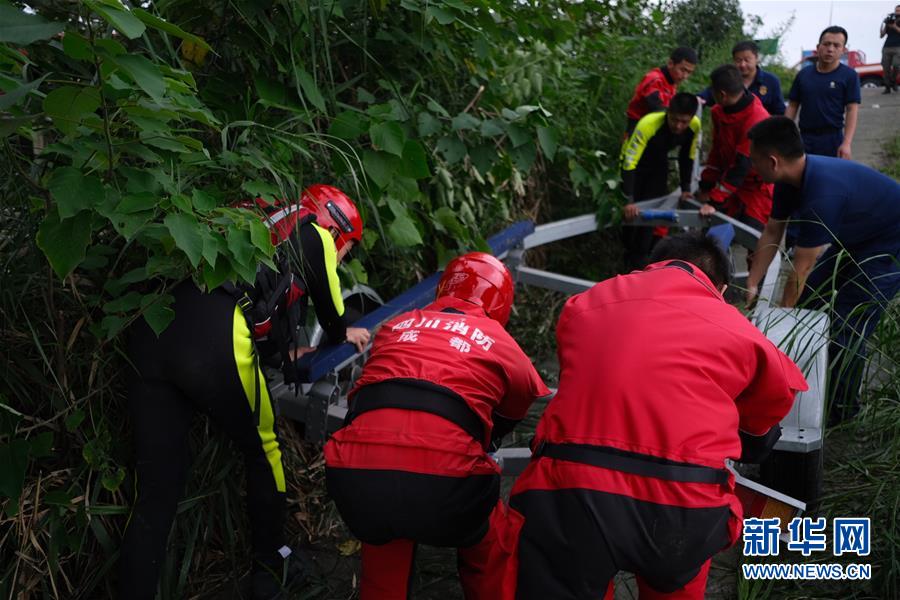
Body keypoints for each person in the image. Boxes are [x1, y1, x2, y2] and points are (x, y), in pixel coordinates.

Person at [508, 232, 808, 600]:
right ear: (721, 286)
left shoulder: (584, 303)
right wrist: (747, 436)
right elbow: (778, 397)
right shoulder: (736, 326)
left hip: (568, 492)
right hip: (681, 503)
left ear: (651, 265)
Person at [118, 185, 372, 600]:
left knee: (157, 490)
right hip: (215, 335)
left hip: (153, 328)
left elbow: (259, 307)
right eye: (349, 250)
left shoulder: (255, 220)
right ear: (339, 230)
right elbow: (331, 310)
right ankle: (270, 571)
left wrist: (285, 351)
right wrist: (346, 332)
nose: (344, 258)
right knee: (264, 449)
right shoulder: (317, 233)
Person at [324, 252, 551, 600]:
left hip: (354, 475)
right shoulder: (500, 342)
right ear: (502, 303)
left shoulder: (396, 327)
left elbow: (366, 394)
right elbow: (520, 401)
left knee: (383, 538)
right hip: (446, 485)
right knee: (494, 541)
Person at [746, 116, 900, 424]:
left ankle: (841, 412)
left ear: (773, 161)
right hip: (858, 236)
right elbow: (774, 231)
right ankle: (801, 375)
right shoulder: (789, 179)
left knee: (848, 325)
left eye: (755, 159)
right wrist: (752, 284)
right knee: (811, 302)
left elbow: (801, 268)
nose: (752, 166)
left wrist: (780, 323)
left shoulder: (822, 193)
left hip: (890, 243)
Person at [619, 92, 700, 270]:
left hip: (658, 165)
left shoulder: (694, 125)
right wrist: (629, 199)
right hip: (634, 168)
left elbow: (687, 157)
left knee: (648, 221)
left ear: (691, 118)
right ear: (667, 113)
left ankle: (641, 263)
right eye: (674, 120)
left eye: (684, 122)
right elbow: (628, 162)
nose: (679, 126)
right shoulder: (649, 123)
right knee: (630, 220)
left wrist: (686, 187)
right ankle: (627, 262)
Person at [697, 64, 773, 232]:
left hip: (755, 188)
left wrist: (714, 201)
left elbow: (742, 165)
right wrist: (706, 186)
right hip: (728, 180)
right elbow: (717, 152)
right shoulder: (719, 112)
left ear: (722, 94)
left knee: (754, 241)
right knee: (711, 236)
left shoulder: (756, 118)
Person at [785, 26, 860, 158]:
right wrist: (784, 133)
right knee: (804, 177)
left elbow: (852, 110)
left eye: (836, 45)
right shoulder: (803, 75)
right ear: (818, 47)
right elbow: (793, 105)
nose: (830, 49)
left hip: (833, 139)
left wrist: (847, 143)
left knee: (831, 177)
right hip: (804, 138)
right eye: (826, 44)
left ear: (844, 50)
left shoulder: (849, 76)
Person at [698, 40, 786, 115]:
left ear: (756, 58)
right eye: (738, 60)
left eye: (747, 60)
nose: (743, 65)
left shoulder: (771, 81)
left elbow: (780, 112)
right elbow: (706, 96)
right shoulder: (727, 78)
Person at [625, 47, 698, 134]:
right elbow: (657, 108)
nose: (685, 76)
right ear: (670, 63)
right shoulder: (655, 79)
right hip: (637, 128)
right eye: (683, 70)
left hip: (652, 127)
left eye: (689, 72)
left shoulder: (671, 81)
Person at [880, 5, 900, 93]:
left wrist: (895, 26)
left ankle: (893, 82)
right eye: (896, 10)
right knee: (886, 68)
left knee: (896, 65)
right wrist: (884, 24)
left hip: (898, 47)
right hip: (887, 47)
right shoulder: (890, 19)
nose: (897, 11)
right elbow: (882, 35)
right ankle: (887, 87)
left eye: (899, 10)